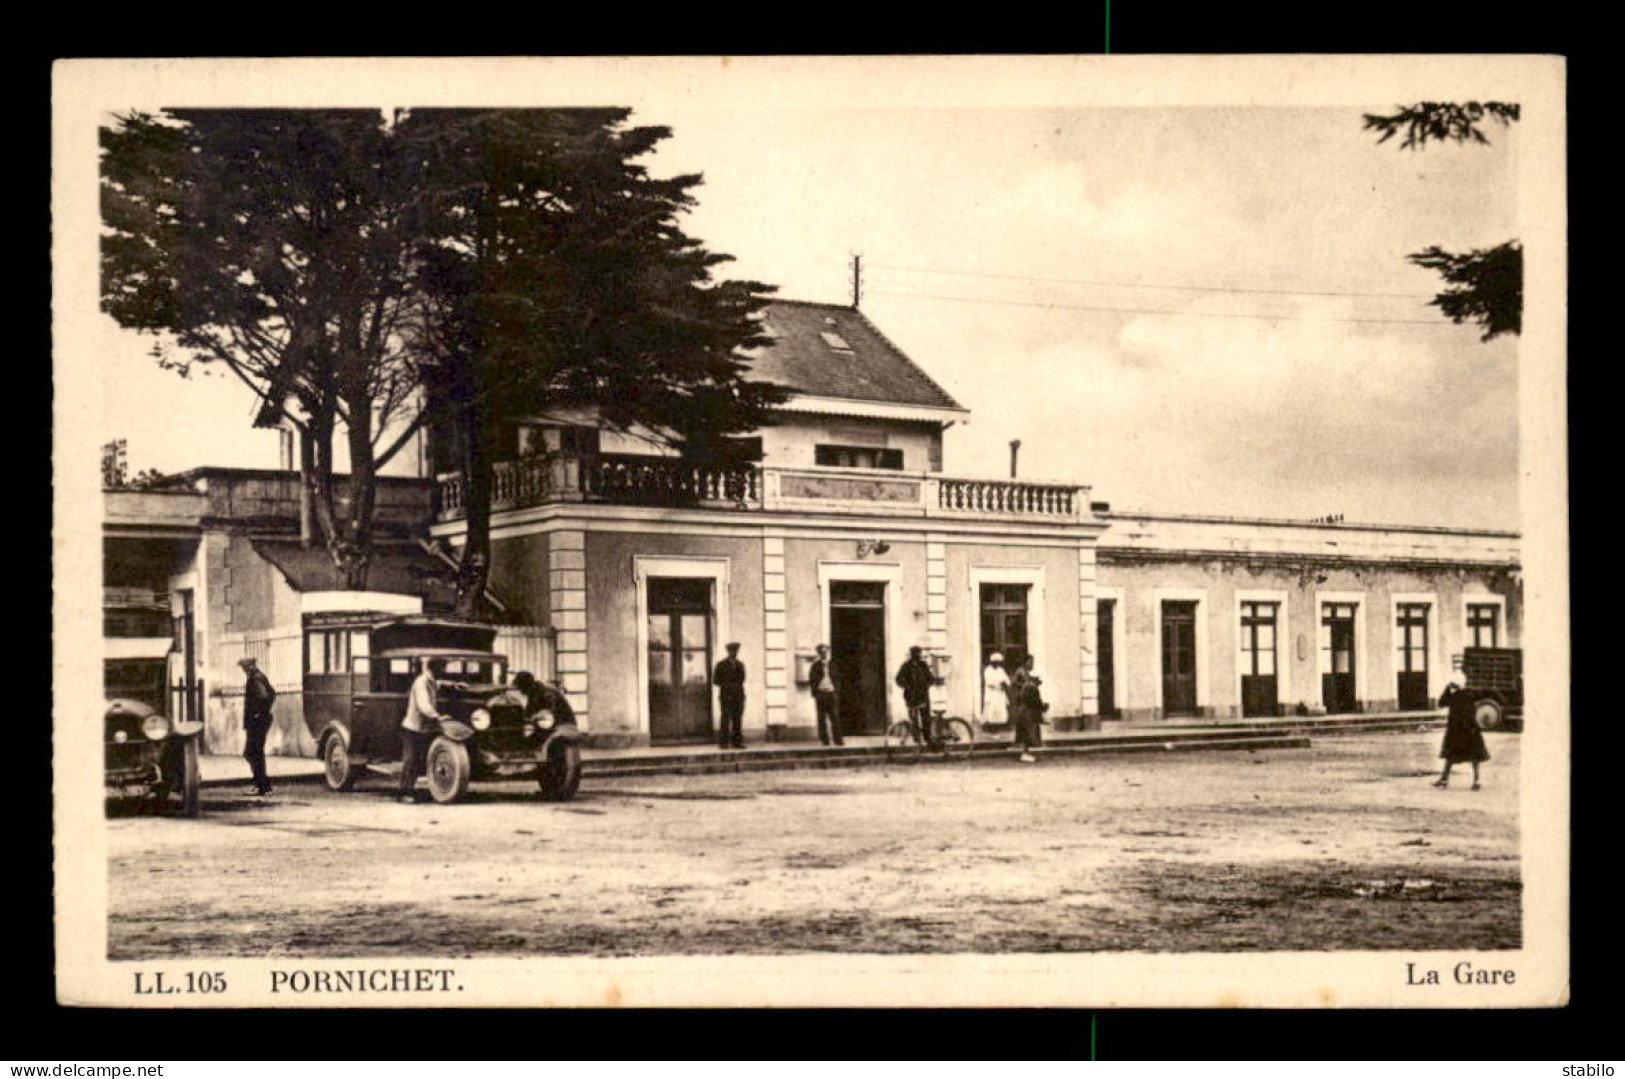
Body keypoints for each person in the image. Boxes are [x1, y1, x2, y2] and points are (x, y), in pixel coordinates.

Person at [399, 657, 447, 803]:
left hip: (423, 728)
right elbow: (423, 704)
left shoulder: (430, 680)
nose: (444, 671)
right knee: (411, 760)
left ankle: (415, 790)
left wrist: (454, 684)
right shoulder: (421, 682)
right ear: (436, 668)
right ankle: (404, 793)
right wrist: (437, 716)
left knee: (419, 760)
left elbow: (438, 684)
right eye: (443, 668)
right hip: (413, 728)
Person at [1434, 678, 1489, 789]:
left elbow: (1441, 703)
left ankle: (1444, 779)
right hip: (1470, 729)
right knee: (1475, 757)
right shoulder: (1471, 695)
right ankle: (1476, 781)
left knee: (1450, 756)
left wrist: (1447, 689)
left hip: (1456, 730)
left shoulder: (1453, 697)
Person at [239, 656, 276, 796]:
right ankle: (261, 785)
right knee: (254, 752)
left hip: (257, 722)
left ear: (250, 666)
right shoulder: (259, 677)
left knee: (252, 752)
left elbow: (265, 696)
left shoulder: (255, 679)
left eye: (244, 667)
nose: (243, 670)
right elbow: (272, 694)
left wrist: (258, 713)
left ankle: (263, 786)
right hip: (259, 720)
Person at [895, 645, 936, 747]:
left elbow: (930, 678)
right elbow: (898, 679)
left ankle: (928, 738)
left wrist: (927, 685)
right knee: (913, 718)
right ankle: (917, 739)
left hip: (923, 695)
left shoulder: (923, 665)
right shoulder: (906, 666)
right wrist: (907, 687)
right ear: (911, 654)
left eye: (918, 653)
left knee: (925, 717)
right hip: (911, 696)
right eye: (915, 653)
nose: (917, 655)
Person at [1010, 657, 1047, 763]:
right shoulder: (1021, 673)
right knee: (1027, 730)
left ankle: (1026, 752)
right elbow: (1017, 685)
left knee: (1027, 730)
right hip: (1025, 707)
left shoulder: (1026, 673)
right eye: (1031, 662)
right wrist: (1028, 685)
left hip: (1025, 706)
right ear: (1026, 662)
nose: (1032, 665)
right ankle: (1025, 753)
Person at [713, 642, 747, 750]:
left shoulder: (740, 665)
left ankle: (737, 742)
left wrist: (736, 689)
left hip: (738, 695)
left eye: (736, 651)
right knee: (725, 718)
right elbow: (716, 680)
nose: (734, 653)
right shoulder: (721, 665)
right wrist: (727, 685)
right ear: (728, 652)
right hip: (726, 696)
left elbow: (742, 679)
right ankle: (723, 743)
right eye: (732, 651)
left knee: (737, 719)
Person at [511, 670, 576, 727]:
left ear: (529, 686)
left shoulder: (548, 693)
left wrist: (535, 717)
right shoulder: (533, 694)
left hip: (562, 726)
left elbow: (550, 715)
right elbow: (528, 714)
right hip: (550, 725)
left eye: (523, 689)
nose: (522, 692)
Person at [808, 644, 843, 746]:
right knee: (821, 718)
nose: (824, 654)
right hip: (821, 694)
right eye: (822, 652)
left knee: (835, 717)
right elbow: (812, 680)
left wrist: (836, 691)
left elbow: (837, 678)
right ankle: (825, 740)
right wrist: (815, 693)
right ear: (819, 653)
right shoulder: (815, 666)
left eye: (826, 651)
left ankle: (838, 740)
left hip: (832, 694)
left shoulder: (833, 665)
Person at [981, 652, 1010, 726]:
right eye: (995, 662)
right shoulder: (988, 670)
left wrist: (1005, 683)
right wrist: (998, 684)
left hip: (1000, 693)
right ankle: (991, 725)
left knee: (1001, 708)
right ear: (992, 662)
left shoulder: (1000, 670)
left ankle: (1000, 724)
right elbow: (989, 682)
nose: (997, 664)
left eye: (998, 662)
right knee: (991, 709)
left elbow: (1006, 679)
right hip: (992, 692)